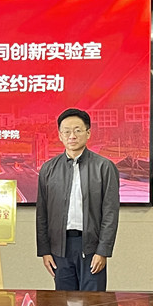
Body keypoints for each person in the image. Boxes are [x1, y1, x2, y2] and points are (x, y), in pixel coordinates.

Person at [35, 108, 120, 291]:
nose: (72, 136)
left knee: (93, 303)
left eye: (77, 130)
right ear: (60, 135)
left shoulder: (104, 167)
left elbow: (110, 213)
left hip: (91, 247)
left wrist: (103, 251)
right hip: (60, 247)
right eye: (66, 131)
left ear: (88, 133)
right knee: (63, 302)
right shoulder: (48, 169)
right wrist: (45, 251)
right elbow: (42, 213)